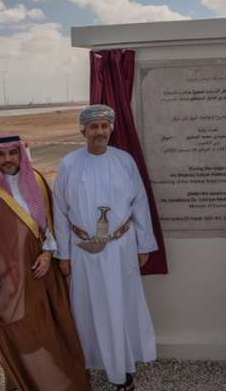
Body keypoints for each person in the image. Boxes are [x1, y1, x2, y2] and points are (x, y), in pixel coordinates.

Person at [0, 135, 89, 391]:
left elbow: (52, 221)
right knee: (20, 334)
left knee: (52, 328)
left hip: (43, 271)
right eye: (1, 154)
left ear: (21, 154)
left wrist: (48, 254)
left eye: (13, 153)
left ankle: (60, 383)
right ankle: (22, 383)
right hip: (9, 278)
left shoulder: (36, 180)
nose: (7, 159)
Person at [53, 105, 158, 391]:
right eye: (93, 127)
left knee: (119, 304)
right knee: (87, 307)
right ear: (83, 130)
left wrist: (144, 245)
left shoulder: (125, 161)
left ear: (111, 129)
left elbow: (140, 204)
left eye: (104, 126)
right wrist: (63, 254)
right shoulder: (69, 164)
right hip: (83, 251)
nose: (99, 132)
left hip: (120, 249)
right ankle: (88, 362)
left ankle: (121, 366)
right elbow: (59, 211)